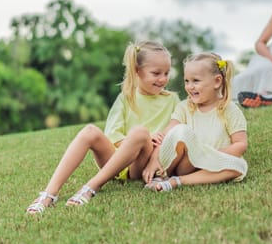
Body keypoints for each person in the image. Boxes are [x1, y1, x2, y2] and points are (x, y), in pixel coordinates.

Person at [26, 40, 180, 214]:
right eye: (156, 73)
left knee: (140, 132)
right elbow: (113, 136)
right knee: (90, 131)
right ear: (138, 71)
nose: (163, 79)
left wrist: (147, 141)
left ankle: (92, 186)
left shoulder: (172, 99)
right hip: (117, 162)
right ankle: (49, 194)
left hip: (142, 165)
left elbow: (177, 132)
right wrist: (132, 142)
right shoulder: (126, 98)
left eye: (167, 73)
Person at [143, 52, 248, 192]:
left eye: (196, 81)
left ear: (217, 81)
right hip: (184, 163)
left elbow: (240, 144)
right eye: (187, 81)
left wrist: (213, 156)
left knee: (239, 166)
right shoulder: (184, 107)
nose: (190, 87)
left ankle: (177, 182)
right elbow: (167, 134)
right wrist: (153, 160)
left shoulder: (230, 110)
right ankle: (161, 174)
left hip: (211, 163)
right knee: (180, 131)